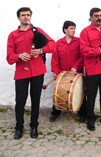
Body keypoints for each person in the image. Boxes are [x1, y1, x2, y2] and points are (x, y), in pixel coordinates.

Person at [7, 7, 55, 139]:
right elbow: (9, 57)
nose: (26, 17)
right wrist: (19, 56)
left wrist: (41, 51)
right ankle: (19, 127)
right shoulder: (12, 35)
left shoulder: (37, 31)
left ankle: (34, 126)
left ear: (30, 17)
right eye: (23, 15)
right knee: (20, 101)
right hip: (22, 72)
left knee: (35, 100)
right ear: (18, 18)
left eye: (28, 15)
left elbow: (52, 45)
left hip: (38, 71)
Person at [50, 20, 87, 122]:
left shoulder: (79, 42)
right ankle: (55, 112)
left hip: (76, 74)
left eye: (74, 28)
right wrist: (55, 71)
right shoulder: (58, 43)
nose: (73, 30)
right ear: (65, 30)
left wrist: (76, 66)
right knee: (58, 92)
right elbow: (55, 59)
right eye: (71, 28)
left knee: (81, 93)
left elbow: (82, 56)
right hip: (63, 74)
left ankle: (82, 114)